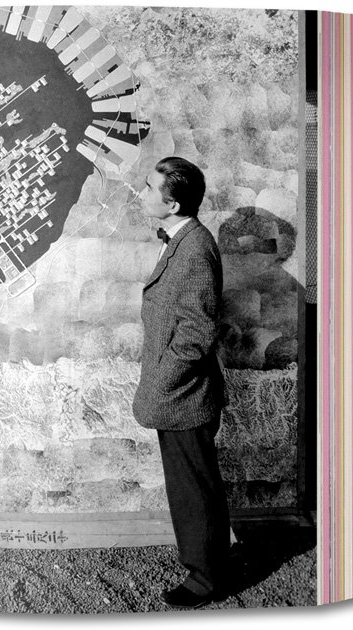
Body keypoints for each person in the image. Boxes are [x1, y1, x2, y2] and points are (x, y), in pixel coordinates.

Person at [132, 156, 230, 609]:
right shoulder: (181, 239)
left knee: (195, 489)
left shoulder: (194, 249)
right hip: (177, 392)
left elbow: (195, 336)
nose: (142, 193)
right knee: (189, 485)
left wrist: (159, 384)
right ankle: (206, 565)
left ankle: (207, 578)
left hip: (184, 394)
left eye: (149, 187)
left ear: (172, 205)